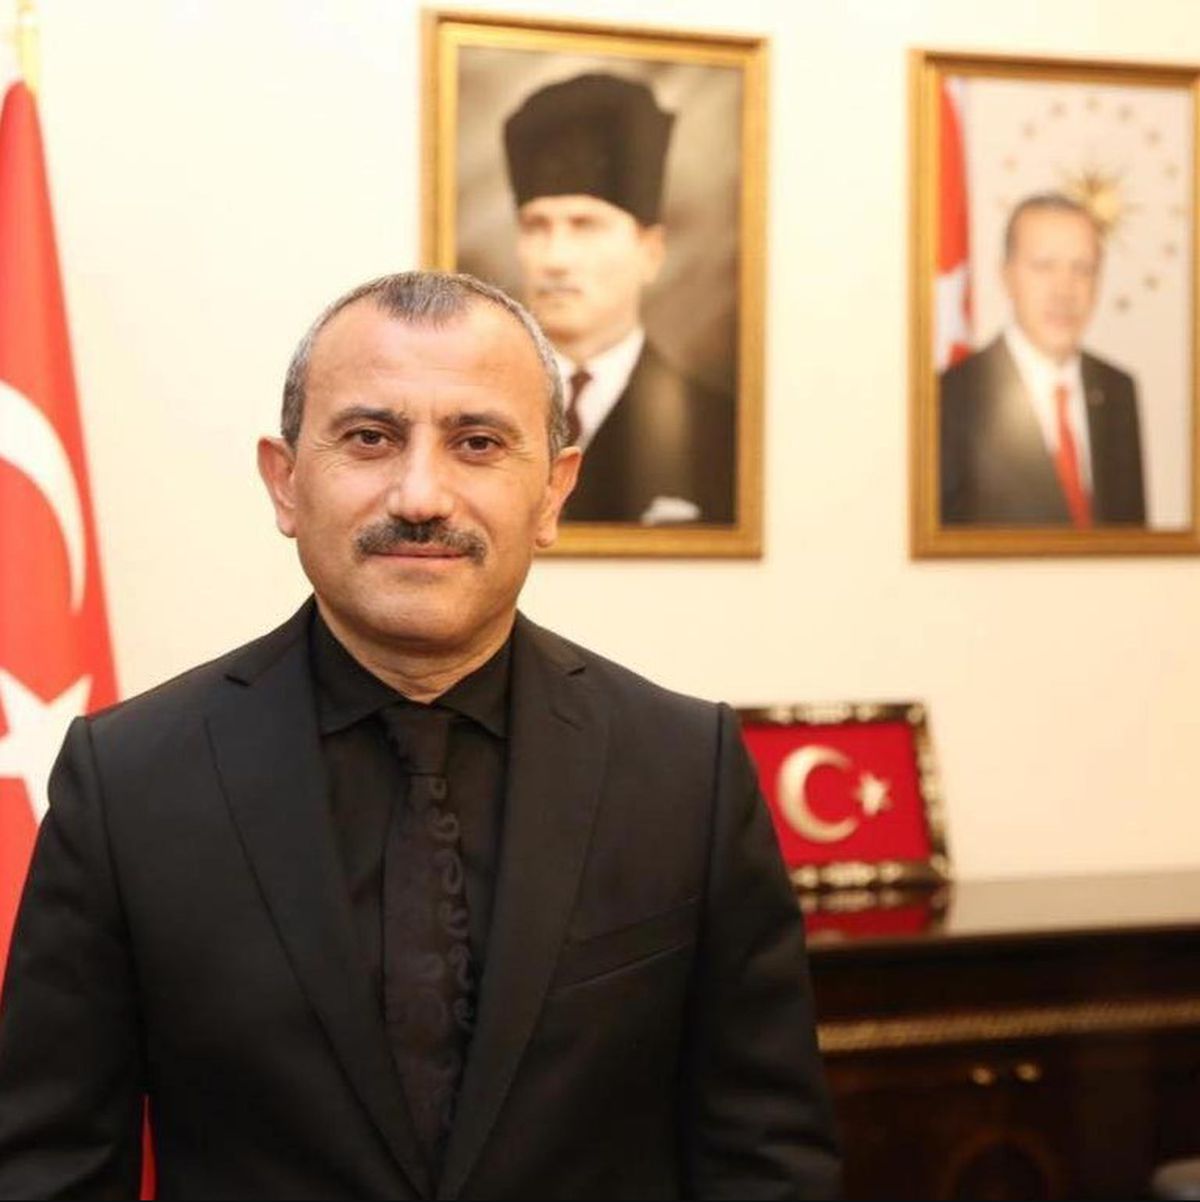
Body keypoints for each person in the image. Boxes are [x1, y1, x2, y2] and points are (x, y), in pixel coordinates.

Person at [0, 271, 839, 1199]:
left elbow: (768, 1163)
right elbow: (48, 1168)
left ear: (553, 492)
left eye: (478, 443)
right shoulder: (128, 782)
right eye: (371, 438)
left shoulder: (688, 772)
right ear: (285, 481)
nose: (422, 495)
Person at [503, 72, 736, 526]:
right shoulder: (476, 417)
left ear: (650, 252)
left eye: (585, 225)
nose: (555, 258)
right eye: (536, 226)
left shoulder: (720, 428)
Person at [939, 192, 1146, 526]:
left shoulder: (1118, 390)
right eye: (1044, 266)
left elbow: (1131, 541)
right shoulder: (950, 397)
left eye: (1083, 269)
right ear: (1006, 276)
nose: (1064, 290)